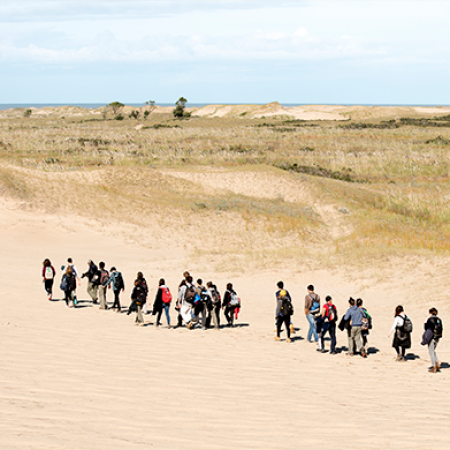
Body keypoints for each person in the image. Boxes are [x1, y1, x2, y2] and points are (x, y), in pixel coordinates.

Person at [424, 308, 443, 373]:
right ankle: (437, 363)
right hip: (438, 336)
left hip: (432, 337)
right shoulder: (439, 319)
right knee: (433, 350)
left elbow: (427, 328)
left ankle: (434, 367)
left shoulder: (430, 319)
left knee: (431, 351)